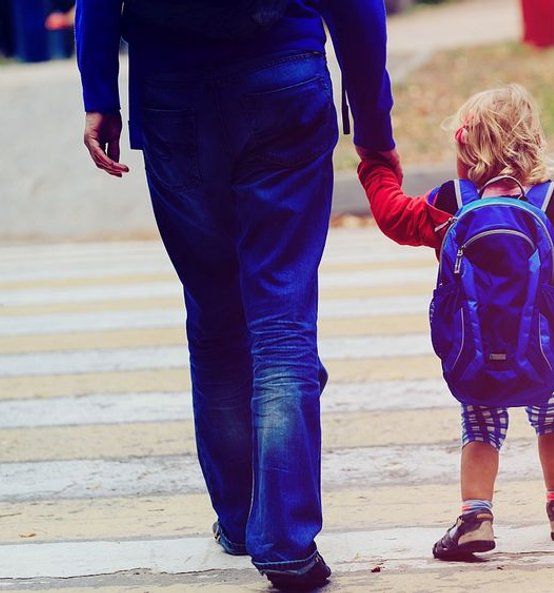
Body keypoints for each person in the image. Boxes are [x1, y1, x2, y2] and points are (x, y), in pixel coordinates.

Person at [75, 1, 398, 588]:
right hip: (285, 79)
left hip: (171, 91)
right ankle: (286, 543)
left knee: (214, 315)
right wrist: (374, 126)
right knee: (282, 318)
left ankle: (240, 520)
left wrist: (100, 93)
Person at [356, 84, 554, 560]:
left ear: (466, 150)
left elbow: (394, 218)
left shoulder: (451, 201)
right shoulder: (553, 203)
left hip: (475, 349)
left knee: (480, 429)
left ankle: (476, 518)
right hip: (544, 349)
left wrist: (376, 170)